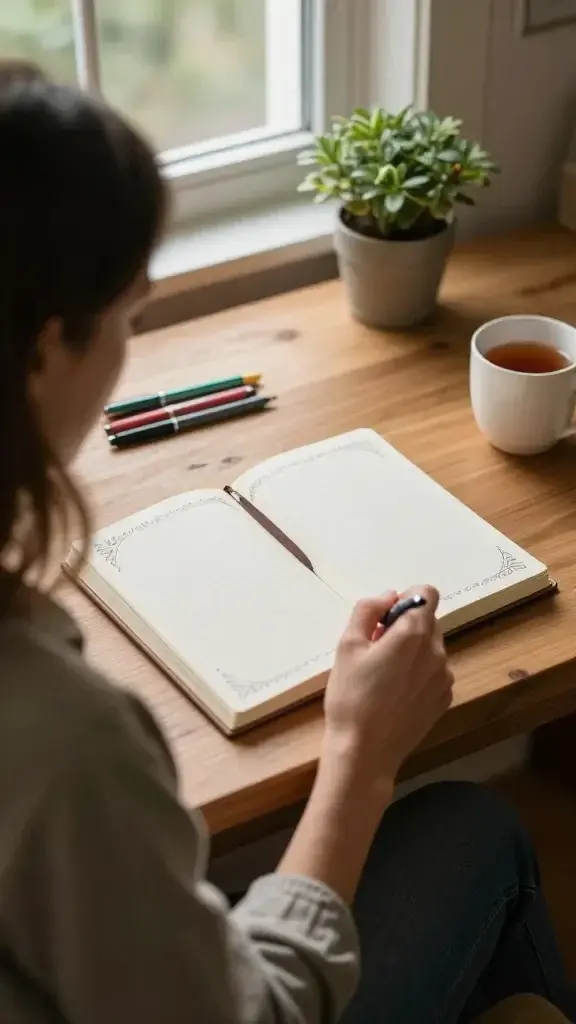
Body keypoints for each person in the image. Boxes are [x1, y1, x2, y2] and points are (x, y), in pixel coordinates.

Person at [0, 66, 570, 1024]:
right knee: (478, 835)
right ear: (47, 345)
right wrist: (360, 754)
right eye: (132, 317)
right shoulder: (69, 747)